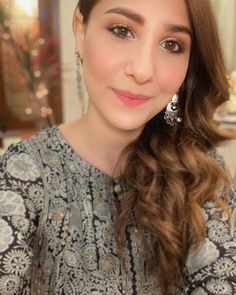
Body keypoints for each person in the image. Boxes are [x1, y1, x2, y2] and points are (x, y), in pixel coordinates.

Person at [0, 0, 236, 294]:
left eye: (172, 44)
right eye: (122, 30)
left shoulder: (201, 171)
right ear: (81, 32)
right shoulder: (22, 174)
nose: (142, 70)